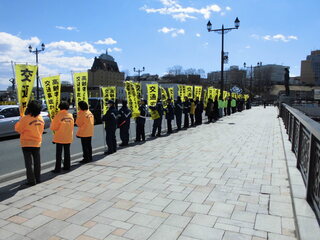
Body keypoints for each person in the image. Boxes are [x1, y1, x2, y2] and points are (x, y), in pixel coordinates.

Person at [15, 100, 44, 186]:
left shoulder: (25, 118)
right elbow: (41, 130)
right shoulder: (40, 118)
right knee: (37, 162)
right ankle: (38, 178)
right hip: (37, 142)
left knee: (28, 163)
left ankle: (31, 180)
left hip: (26, 143)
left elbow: (18, 129)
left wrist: (19, 121)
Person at [50, 101, 74, 173]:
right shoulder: (70, 115)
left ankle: (57, 169)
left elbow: (53, 127)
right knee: (67, 152)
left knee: (59, 154)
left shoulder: (58, 116)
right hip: (68, 136)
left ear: (60, 107)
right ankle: (67, 166)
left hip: (60, 137)